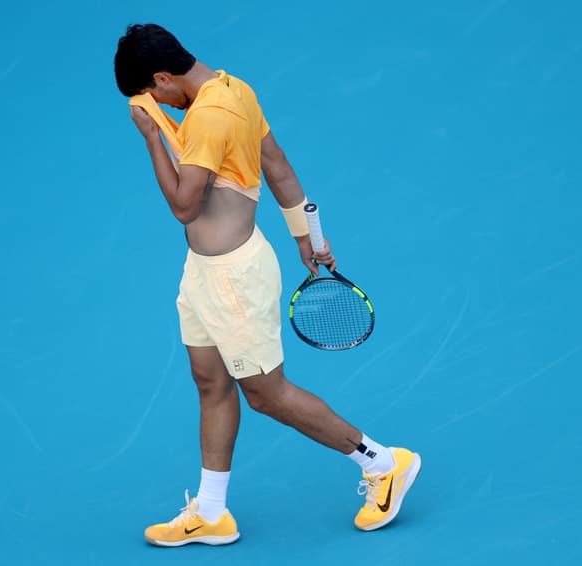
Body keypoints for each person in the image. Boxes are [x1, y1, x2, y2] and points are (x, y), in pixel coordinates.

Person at [114, 23, 421, 547]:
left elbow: (185, 205)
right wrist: (308, 235)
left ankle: (385, 462)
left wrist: (152, 135)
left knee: (267, 395)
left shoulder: (209, 115)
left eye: (151, 92)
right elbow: (276, 165)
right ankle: (211, 512)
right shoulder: (234, 88)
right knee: (210, 383)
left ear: (163, 77)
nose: (156, 103)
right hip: (203, 274)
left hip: (235, 279)